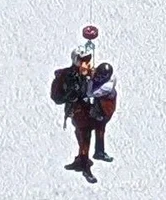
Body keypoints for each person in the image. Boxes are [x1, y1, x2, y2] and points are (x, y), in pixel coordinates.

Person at [50, 31, 118, 181]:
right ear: (77, 62)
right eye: (85, 61)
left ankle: (97, 152)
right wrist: (72, 94)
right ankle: (84, 164)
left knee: (100, 126)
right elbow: (58, 97)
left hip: (91, 110)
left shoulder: (88, 74)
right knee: (84, 136)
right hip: (80, 113)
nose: (88, 64)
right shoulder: (67, 76)